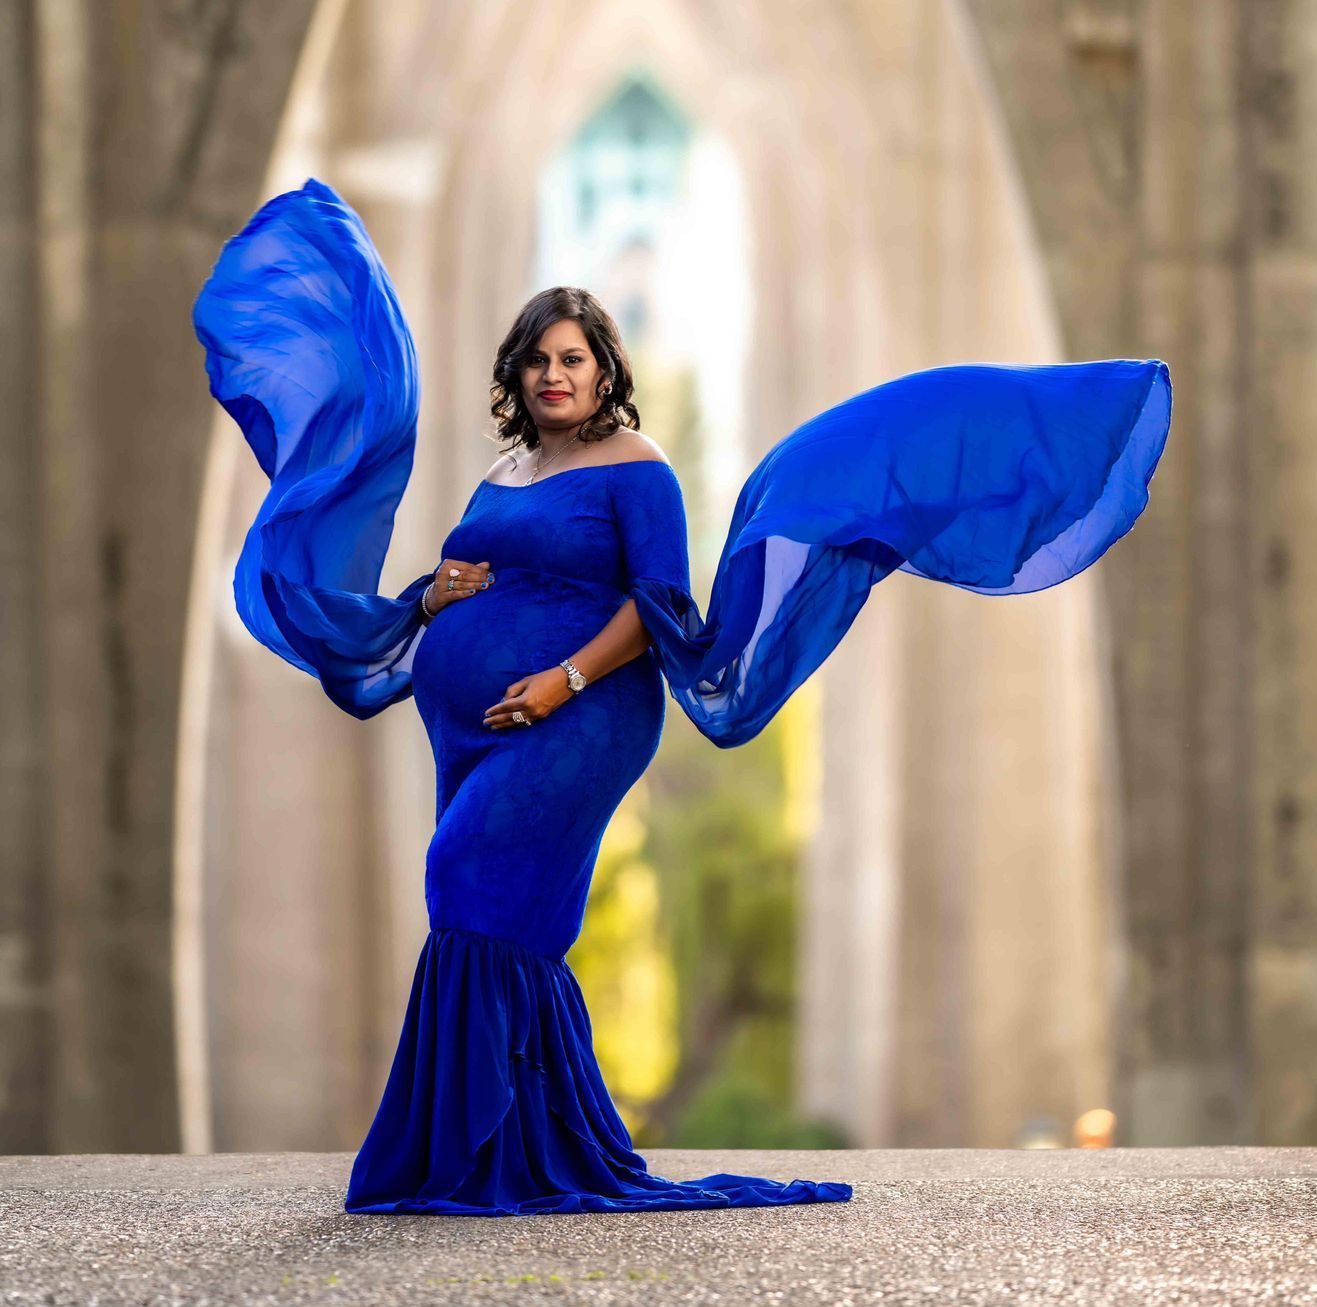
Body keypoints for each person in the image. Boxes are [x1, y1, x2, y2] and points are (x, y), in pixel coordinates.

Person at [192, 176, 1172, 1216]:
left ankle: (475, 1148)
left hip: (584, 712)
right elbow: (469, 569)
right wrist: (434, 593)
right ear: (516, 375)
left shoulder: (638, 468)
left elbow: (656, 606)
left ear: (604, 367)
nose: (555, 373)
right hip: (471, 725)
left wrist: (560, 680)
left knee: (464, 873)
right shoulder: (505, 471)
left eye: (573, 357)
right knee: (496, 911)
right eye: (538, 358)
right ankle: (508, 1149)